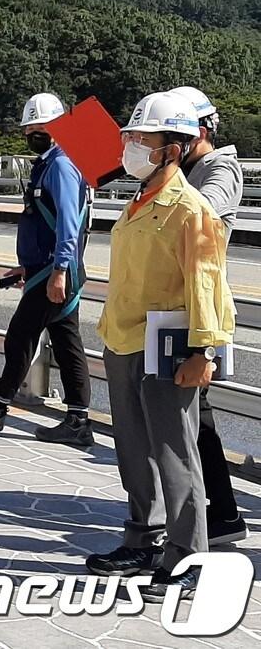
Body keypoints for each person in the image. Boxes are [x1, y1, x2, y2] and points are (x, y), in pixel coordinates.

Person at [85, 90, 235, 602]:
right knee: (133, 449)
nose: (129, 146)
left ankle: (190, 557)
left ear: (174, 147)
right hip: (124, 337)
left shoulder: (192, 209)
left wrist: (203, 352)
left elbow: (207, 282)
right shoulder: (138, 199)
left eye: (141, 138)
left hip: (170, 342)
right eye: (130, 136)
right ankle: (143, 540)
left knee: (175, 452)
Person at [0, 93, 94, 445]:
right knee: (65, 342)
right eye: (30, 128)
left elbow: (68, 224)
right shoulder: (49, 162)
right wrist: (25, 267)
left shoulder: (60, 165)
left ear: (59, 128)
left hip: (55, 270)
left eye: (41, 127)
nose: (34, 133)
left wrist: (59, 269)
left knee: (20, 337)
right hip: (47, 268)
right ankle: (78, 420)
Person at [174, 84, 249, 546]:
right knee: (191, 416)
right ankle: (219, 512)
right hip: (177, 304)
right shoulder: (191, 169)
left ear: (202, 129)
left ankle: (221, 513)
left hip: (200, 308)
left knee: (194, 416)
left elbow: (200, 216)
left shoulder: (220, 168)